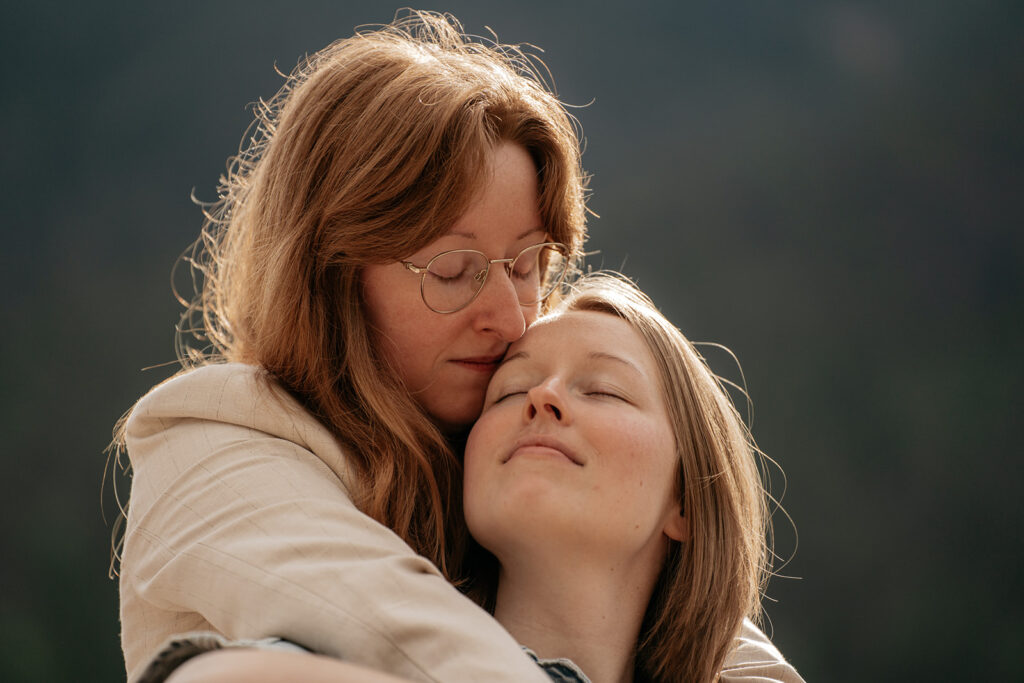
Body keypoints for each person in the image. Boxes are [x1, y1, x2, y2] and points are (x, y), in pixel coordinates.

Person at [112, 9, 799, 683]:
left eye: (529, 264)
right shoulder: (213, 442)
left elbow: (697, 616)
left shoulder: (515, 448)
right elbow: (402, 627)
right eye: (452, 270)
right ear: (331, 283)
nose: (510, 317)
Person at [162, 274, 803, 683]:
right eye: (510, 388)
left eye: (603, 390)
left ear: (687, 501)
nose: (543, 398)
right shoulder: (315, 663)